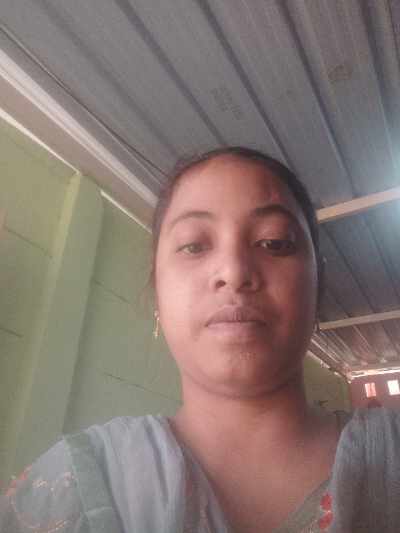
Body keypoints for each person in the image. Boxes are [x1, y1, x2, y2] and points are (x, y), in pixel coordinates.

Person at [1, 147, 400, 532]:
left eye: (274, 242)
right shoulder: (74, 486)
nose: (233, 271)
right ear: (157, 292)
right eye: (193, 245)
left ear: (318, 284)